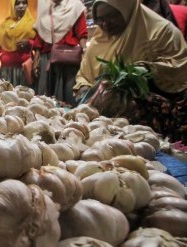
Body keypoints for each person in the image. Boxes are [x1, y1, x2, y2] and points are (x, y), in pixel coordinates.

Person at [75, 0, 187, 141]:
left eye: (111, 16)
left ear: (126, 11)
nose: (104, 24)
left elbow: (179, 67)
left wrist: (145, 70)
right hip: (103, 126)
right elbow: (84, 75)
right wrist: (85, 88)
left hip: (147, 125)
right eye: (100, 19)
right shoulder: (100, 39)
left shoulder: (162, 32)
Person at [33, 0, 87, 106]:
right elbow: (40, 36)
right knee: (45, 100)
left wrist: (84, 57)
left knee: (68, 96)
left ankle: (69, 120)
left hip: (68, 59)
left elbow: (82, 33)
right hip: (47, 60)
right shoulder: (44, 7)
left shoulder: (76, 7)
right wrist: (36, 61)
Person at [0, 0, 37, 86]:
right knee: (5, 96)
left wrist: (29, 43)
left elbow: (39, 45)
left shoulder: (33, 24)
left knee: (24, 97)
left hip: (24, 70)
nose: (21, 6)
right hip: (6, 70)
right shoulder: (4, 25)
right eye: (18, 3)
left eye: (24, 3)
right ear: (13, 6)